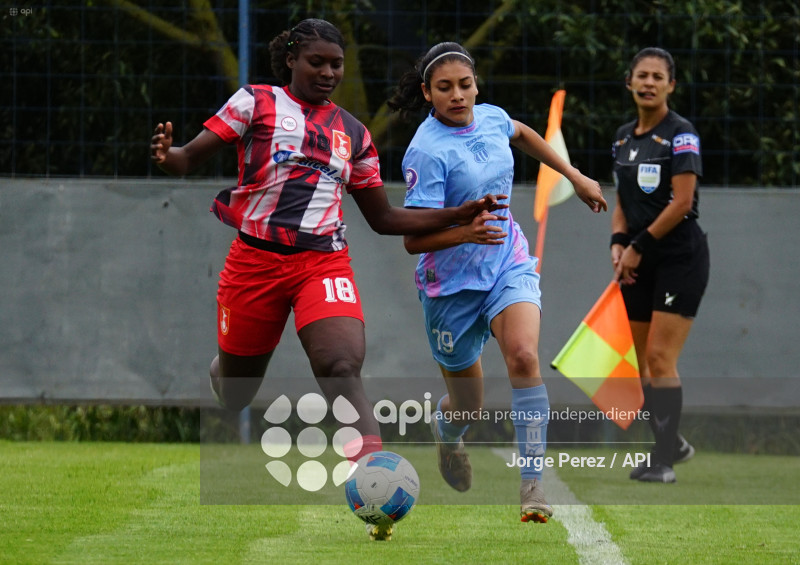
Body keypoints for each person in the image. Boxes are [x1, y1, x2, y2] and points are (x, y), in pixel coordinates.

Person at [150, 19, 505, 539]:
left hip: (322, 261)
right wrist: (170, 158)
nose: (328, 72)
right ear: (290, 59)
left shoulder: (354, 134)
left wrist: (460, 214)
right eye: (317, 61)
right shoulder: (255, 103)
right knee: (234, 393)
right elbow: (188, 158)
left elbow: (384, 218)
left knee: (340, 363)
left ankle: (376, 475)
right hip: (254, 262)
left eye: (336, 64)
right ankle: (225, 366)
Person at [387, 42, 607, 523]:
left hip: (507, 261)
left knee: (525, 356)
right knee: (467, 406)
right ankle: (449, 438)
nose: (458, 96)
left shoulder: (490, 118)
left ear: (476, 84)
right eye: (444, 88)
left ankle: (533, 484)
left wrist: (575, 173)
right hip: (450, 289)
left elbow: (523, 133)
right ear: (427, 93)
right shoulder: (425, 152)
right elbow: (411, 240)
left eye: (465, 85)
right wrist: (466, 231)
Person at [611, 47, 709, 483]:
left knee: (660, 357)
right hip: (638, 260)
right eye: (642, 75)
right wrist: (618, 244)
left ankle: (664, 460)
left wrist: (638, 245)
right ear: (630, 82)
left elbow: (683, 201)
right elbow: (622, 201)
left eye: (658, 76)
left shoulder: (681, 134)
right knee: (641, 363)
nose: (649, 83)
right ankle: (675, 444)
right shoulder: (622, 138)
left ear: (671, 85)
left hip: (679, 258)